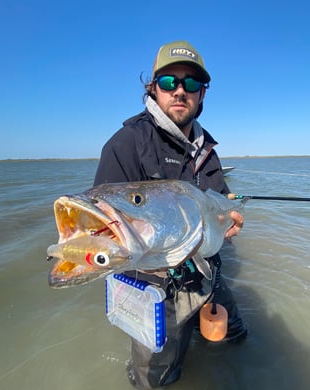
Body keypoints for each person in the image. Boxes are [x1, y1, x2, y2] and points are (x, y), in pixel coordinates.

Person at [94, 40, 247, 389]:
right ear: (153, 87)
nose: (180, 91)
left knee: (235, 335)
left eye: (191, 83)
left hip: (208, 272)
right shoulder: (126, 144)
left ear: (202, 94)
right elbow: (108, 232)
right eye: (169, 82)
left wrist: (230, 218)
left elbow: (220, 197)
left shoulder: (208, 148)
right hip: (155, 291)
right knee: (156, 379)